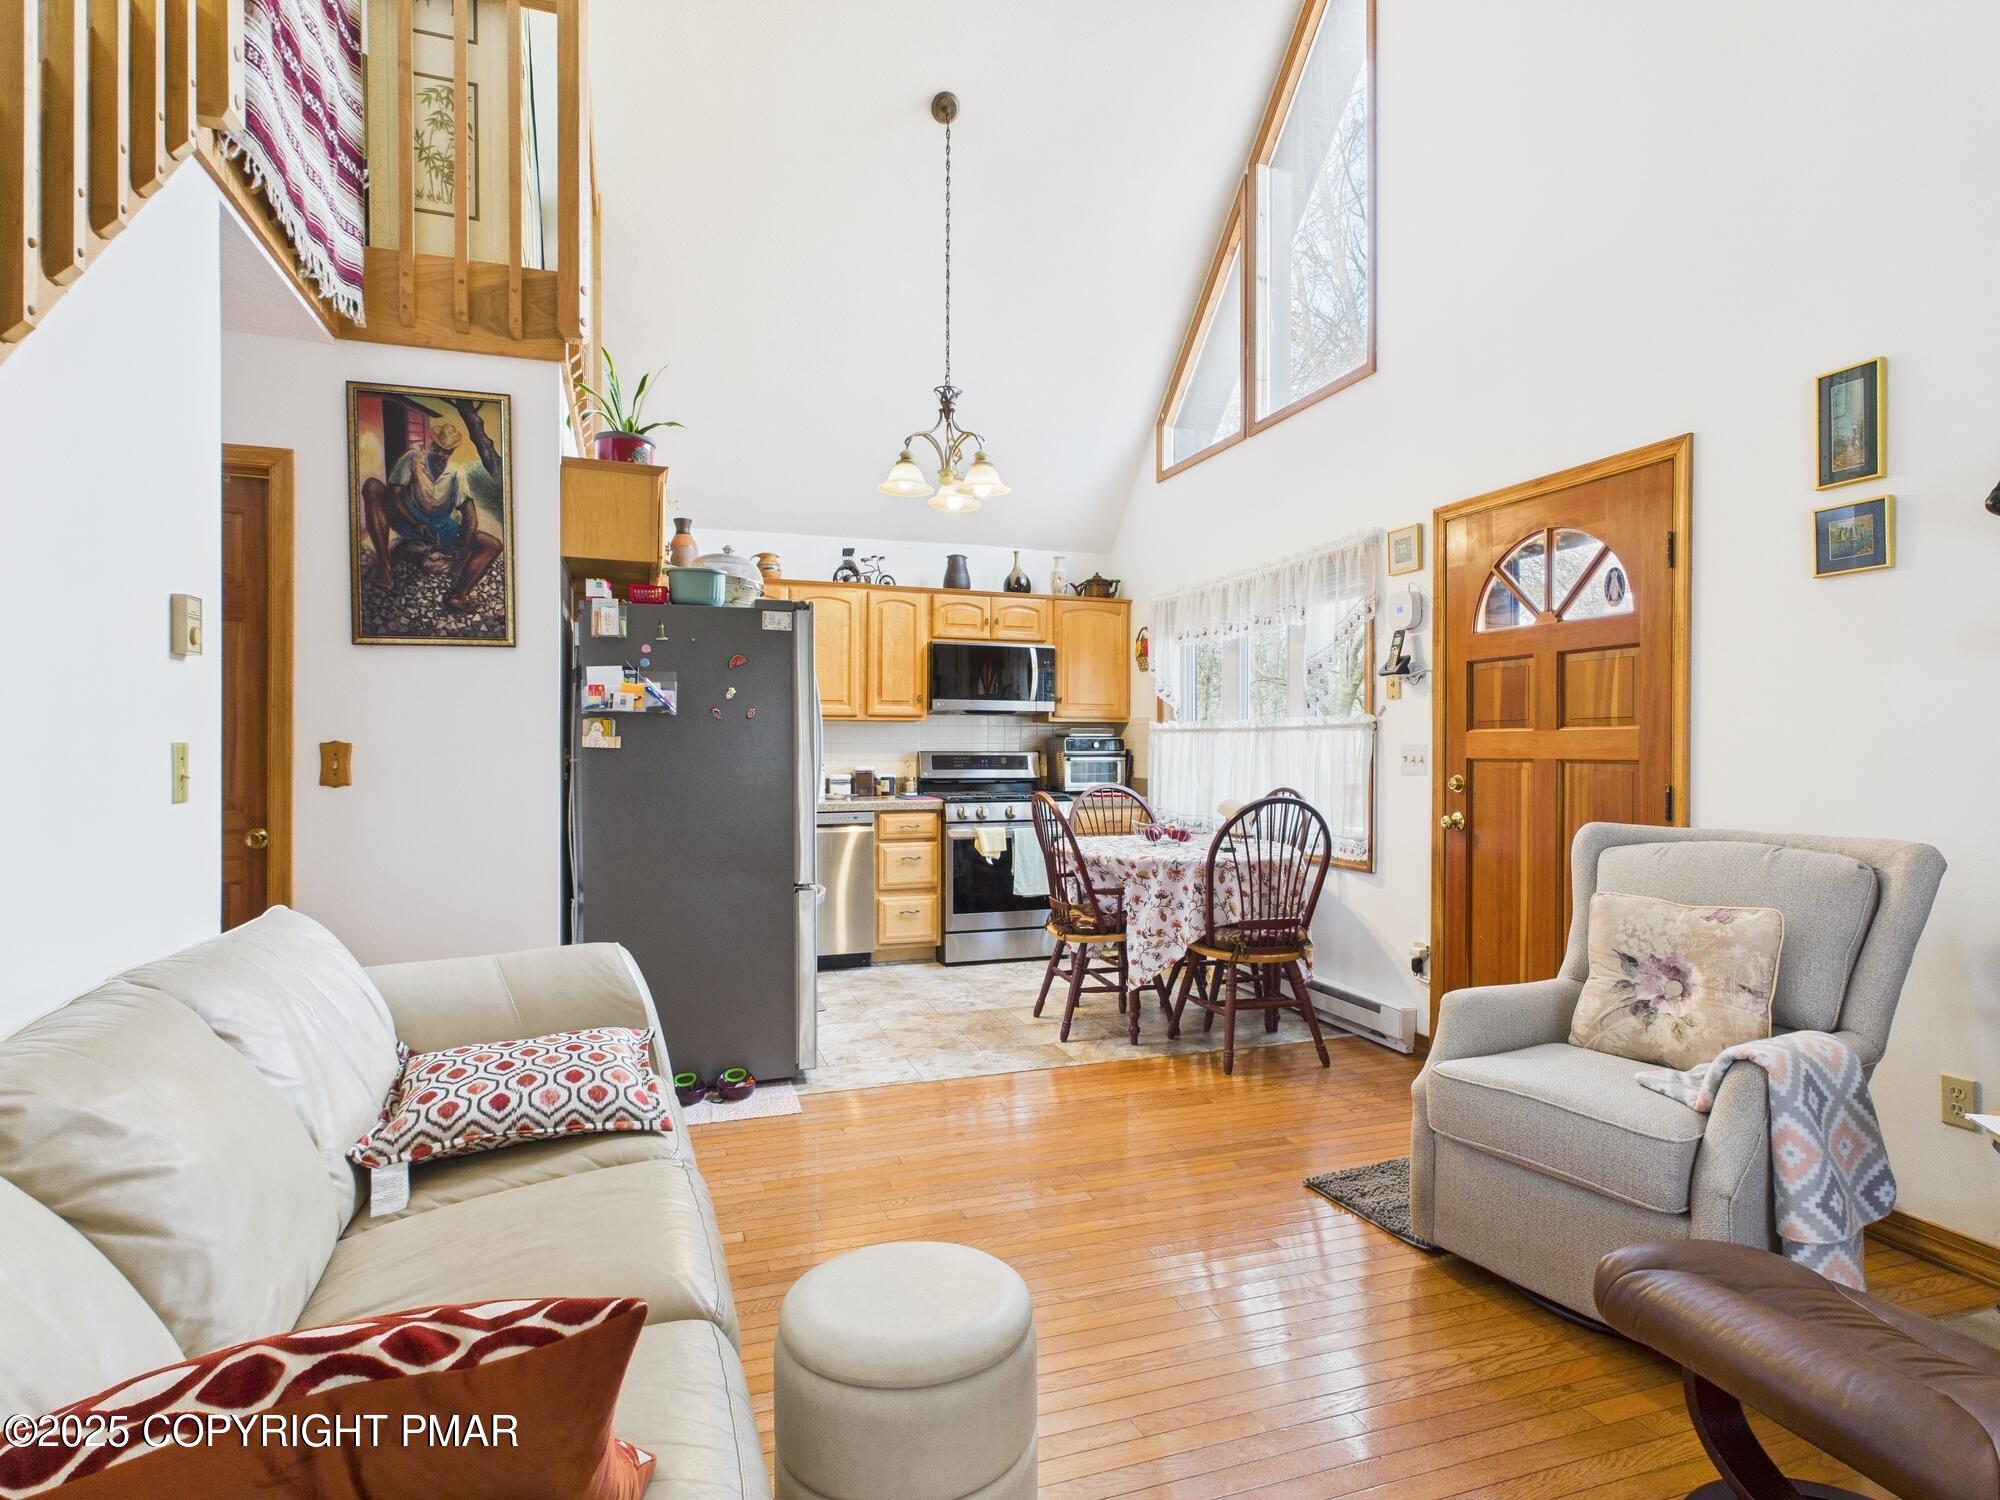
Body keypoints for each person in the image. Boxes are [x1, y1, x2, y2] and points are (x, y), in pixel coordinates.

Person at [359, 418, 501, 611]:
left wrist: (463, 547)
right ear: (432, 445)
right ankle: (385, 565)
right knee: (372, 486)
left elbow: (470, 515)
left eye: (447, 451)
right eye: (438, 448)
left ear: (451, 452)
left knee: (493, 545)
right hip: (406, 517)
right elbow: (393, 496)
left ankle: (459, 596)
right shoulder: (413, 458)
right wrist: (414, 522)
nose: (441, 454)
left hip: (439, 527)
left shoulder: (456, 473)